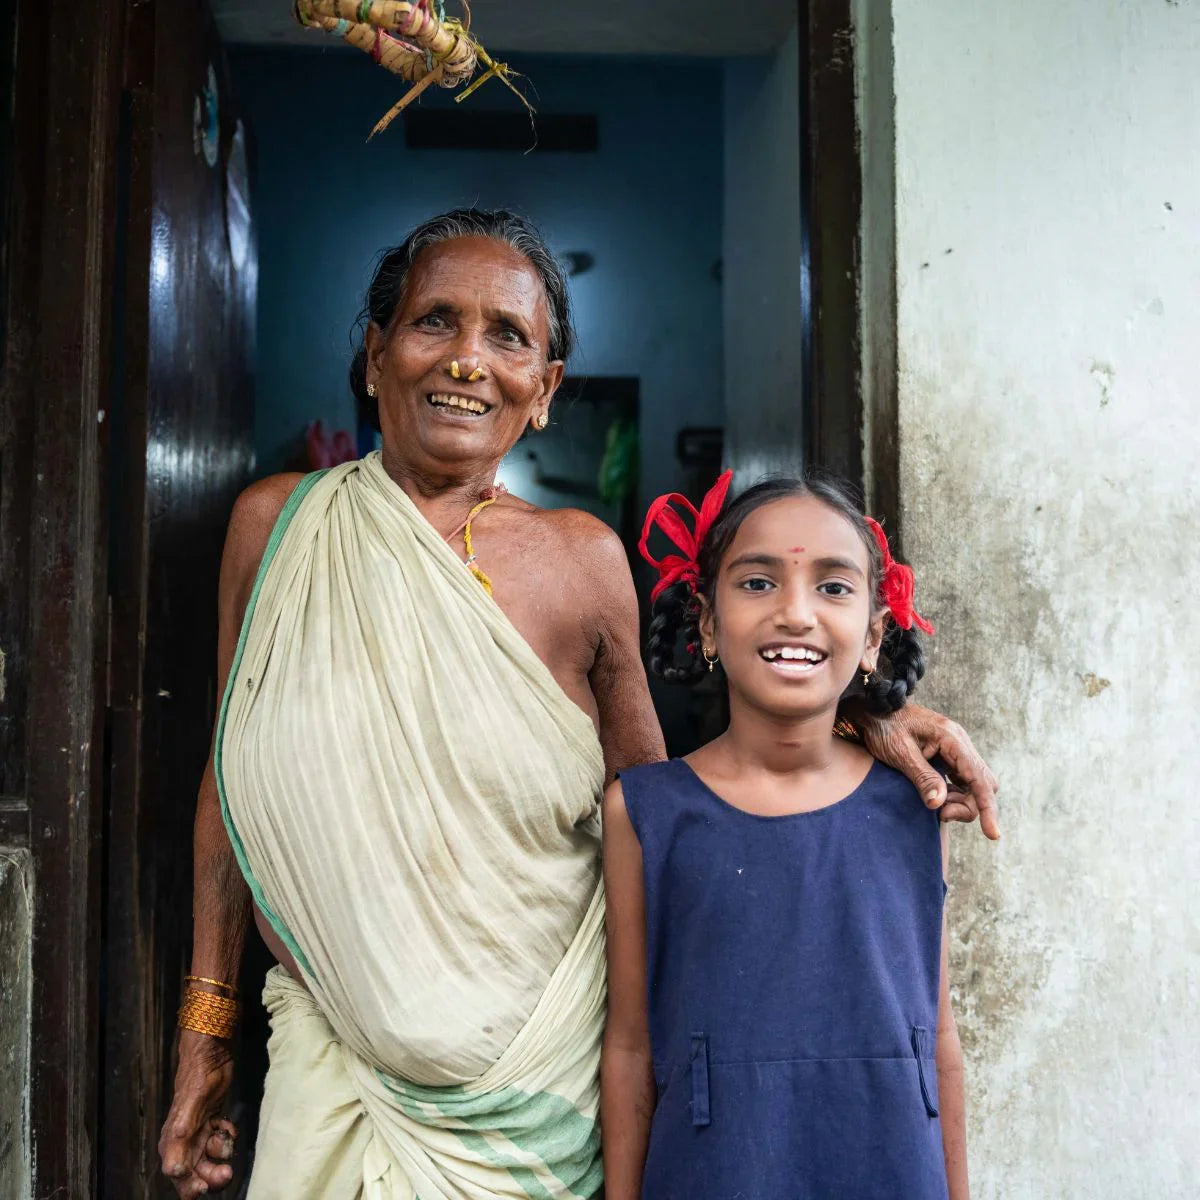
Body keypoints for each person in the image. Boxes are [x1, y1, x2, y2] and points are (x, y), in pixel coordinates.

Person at [158, 209, 998, 1199]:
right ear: (377, 355)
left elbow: (664, 806)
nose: (469, 360)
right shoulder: (277, 526)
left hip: (536, 1078)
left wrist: (849, 719)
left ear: (545, 389)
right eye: (436, 323)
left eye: (509, 337)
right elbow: (234, 792)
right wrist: (204, 1037)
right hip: (330, 1057)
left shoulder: (583, 561)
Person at [603, 472, 974, 1199]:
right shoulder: (646, 812)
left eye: (834, 587)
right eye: (757, 583)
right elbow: (629, 1048)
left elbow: (940, 1040)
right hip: (714, 1170)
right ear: (706, 623)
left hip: (890, 1165)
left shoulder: (915, 806)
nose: (796, 613)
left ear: (873, 637)